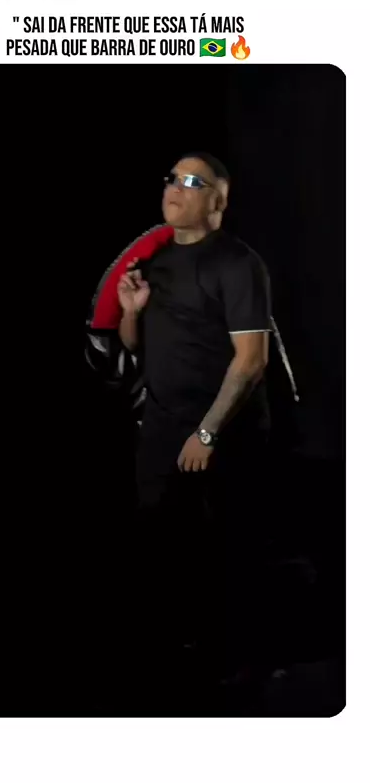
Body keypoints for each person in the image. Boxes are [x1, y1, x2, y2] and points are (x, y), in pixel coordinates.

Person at [117, 152, 272, 670]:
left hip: (222, 432)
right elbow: (136, 347)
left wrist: (207, 433)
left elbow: (251, 360)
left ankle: (235, 662)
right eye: (171, 178)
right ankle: (172, 655)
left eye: (191, 181)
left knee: (225, 547)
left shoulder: (237, 263)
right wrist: (132, 313)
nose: (174, 188)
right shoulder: (158, 264)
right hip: (161, 428)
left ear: (218, 201)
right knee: (161, 542)